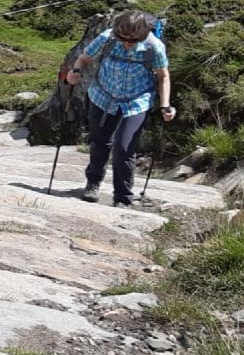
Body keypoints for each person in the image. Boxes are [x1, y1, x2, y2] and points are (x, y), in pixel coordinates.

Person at [64, 11, 175, 208]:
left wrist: (165, 104)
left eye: (133, 40)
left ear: (143, 35)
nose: (127, 43)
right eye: (123, 38)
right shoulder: (107, 38)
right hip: (102, 96)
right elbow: (84, 58)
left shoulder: (154, 47)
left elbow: (163, 76)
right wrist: (76, 71)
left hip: (137, 101)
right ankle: (93, 183)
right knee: (100, 142)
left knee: (124, 147)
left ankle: (123, 197)